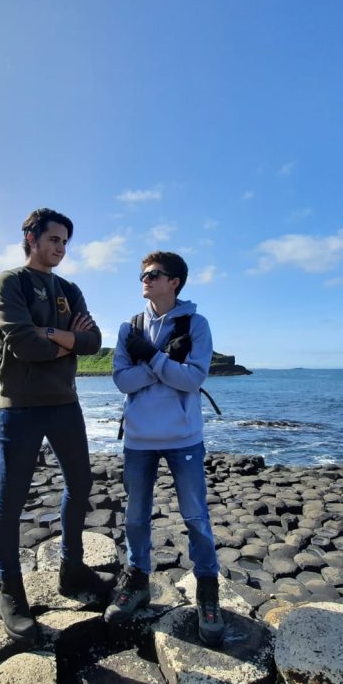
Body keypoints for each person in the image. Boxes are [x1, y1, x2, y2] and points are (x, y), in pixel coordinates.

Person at [0, 207, 113, 643]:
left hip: (65, 404)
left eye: (65, 242)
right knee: (12, 499)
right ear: (31, 237)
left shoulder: (69, 289)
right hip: (20, 407)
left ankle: (71, 569)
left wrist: (54, 337)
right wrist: (68, 341)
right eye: (54, 239)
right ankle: (11, 591)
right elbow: (22, 344)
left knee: (80, 485)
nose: (60, 248)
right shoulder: (11, 282)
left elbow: (94, 342)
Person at [106, 251, 224, 646]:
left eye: (153, 274)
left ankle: (208, 589)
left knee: (195, 516)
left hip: (183, 439)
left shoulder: (197, 324)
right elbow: (122, 381)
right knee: (136, 516)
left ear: (174, 281)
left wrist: (152, 358)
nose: (145, 279)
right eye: (142, 274)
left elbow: (192, 380)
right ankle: (137, 580)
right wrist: (161, 362)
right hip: (139, 439)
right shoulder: (129, 327)